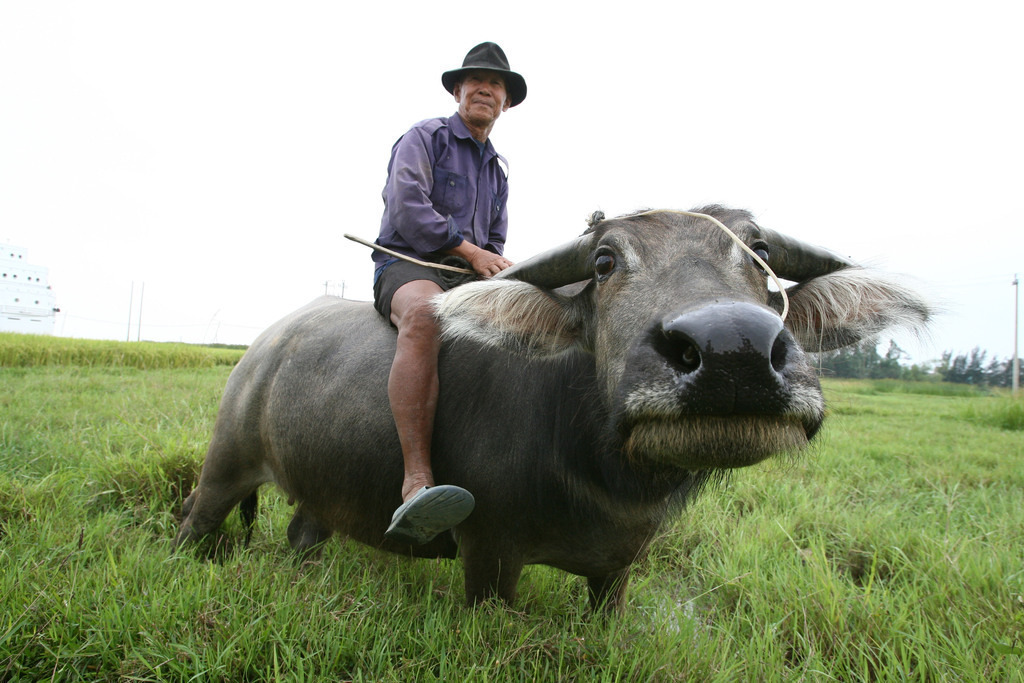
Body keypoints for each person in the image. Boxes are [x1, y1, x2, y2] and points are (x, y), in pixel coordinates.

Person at [370, 42, 527, 545]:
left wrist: (500, 270)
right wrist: (470, 252)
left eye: (496, 83)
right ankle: (415, 480)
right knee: (425, 314)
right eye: (475, 79)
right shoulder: (425, 138)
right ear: (458, 90)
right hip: (409, 264)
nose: (485, 88)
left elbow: (494, 243)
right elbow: (406, 207)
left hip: (467, 277)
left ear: (505, 102)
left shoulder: (498, 171)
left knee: (527, 327)